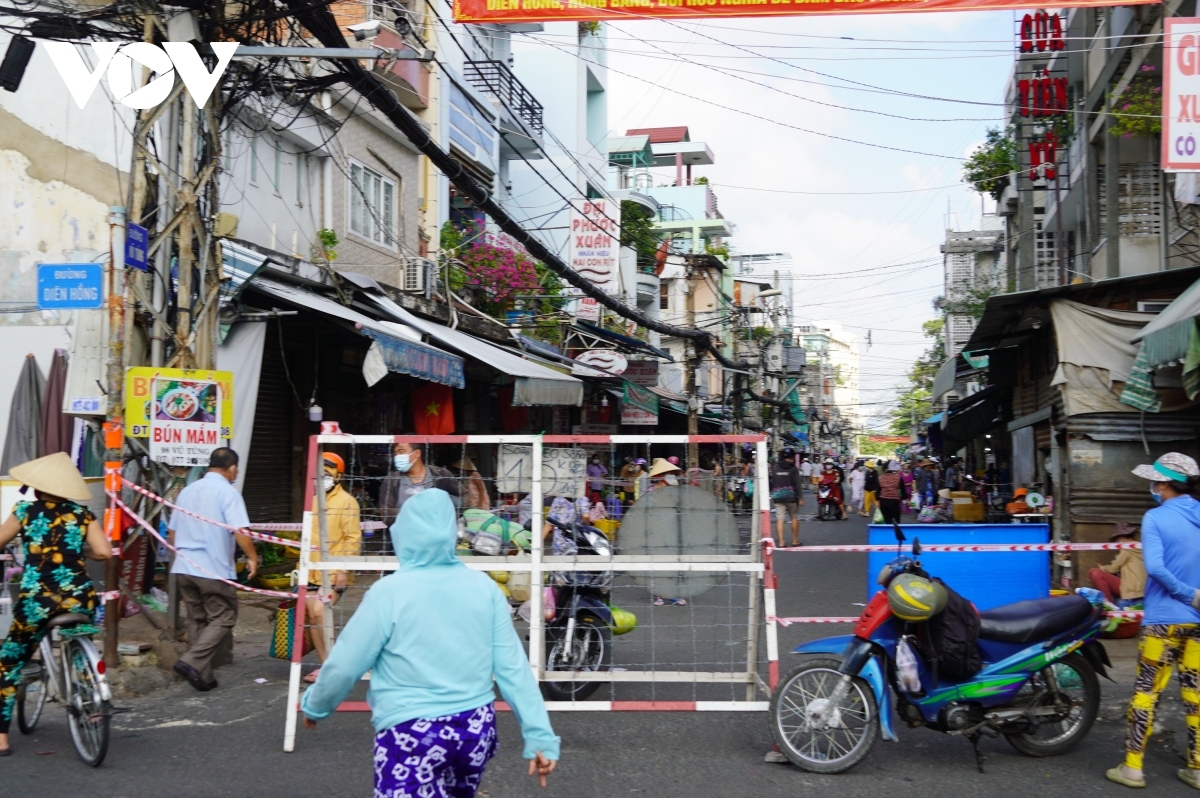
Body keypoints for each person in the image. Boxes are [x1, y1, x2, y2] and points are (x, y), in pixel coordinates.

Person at [301, 490, 558, 795]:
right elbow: (513, 669)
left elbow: (345, 664)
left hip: (410, 731)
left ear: (404, 534)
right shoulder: (484, 588)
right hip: (474, 729)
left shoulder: (388, 592)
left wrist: (316, 705)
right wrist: (540, 736)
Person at [0, 453, 112, 755]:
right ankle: (90, 694)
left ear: (36, 487)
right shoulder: (83, 514)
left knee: (8, 661)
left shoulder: (24, 510)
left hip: (38, 600)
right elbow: (104, 552)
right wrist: (80, 552)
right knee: (79, 638)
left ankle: (1, 739)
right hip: (80, 596)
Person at [1107, 453, 1200, 790]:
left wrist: (1186, 593)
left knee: (1146, 693)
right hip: (1197, 623)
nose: (1152, 487)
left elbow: (1157, 568)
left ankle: (1133, 768)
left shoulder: (1155, 517)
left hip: (1162, 621)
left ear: (1163, 484)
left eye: (1154, 482)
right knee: (1195, 695)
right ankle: (1197, 768)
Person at [169, 447, 259, 692]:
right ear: (231, 468)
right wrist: (252, 557)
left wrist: (182, 556)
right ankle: (191, 661)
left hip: (184, 567)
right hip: (213, 568)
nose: (236, 473)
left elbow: (172, 531)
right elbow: (240, 531)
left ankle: (203, 675)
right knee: (224, 616)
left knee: (197, 619)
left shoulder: (187, 491)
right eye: (236, 469)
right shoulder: (228, 493)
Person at [304, 453, 363, 684]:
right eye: (320, 474)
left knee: (320, 612)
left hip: (334, 573)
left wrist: (343, 570)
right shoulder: (313, 500)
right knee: (313, 616)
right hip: (312, 570)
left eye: (328, 474)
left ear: (339, 476)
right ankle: (326, 665)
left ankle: (336, 665)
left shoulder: (348, 502)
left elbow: (352, 538)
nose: (323, 478)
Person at [379, 441, 461, 525]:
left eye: (401, 451)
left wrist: (449, 513)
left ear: (417, 453)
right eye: (395, 453)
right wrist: (421, 510)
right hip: (404, 536)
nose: (397, 456)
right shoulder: (392, 480)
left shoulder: (441, 474)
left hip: (437, 535)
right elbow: (386, 515)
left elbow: (465, 498)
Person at [1088, 522, 1145, 607]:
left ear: (1120, 539)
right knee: (1094, 572)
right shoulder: (1140, 547)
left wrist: (1102, 568)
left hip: (1130, 590)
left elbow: (1113, 568)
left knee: (1095, 573)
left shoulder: (1127, 549)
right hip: (1141, 589)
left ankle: (1109, 605)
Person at [770, 448, 806, 547]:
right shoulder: (793, 469)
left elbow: (772, 481)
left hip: (777, 497)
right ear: (791, 457)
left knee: (780, 519)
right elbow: (798, 484)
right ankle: (795, 541)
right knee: (794, 517)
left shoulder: (775, 467)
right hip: (791, 498)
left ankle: (781, 542)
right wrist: (801, 497)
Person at [877, 460, 909, 525]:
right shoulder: (898, 478)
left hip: (883, 501)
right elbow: (903, 491)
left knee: (886, 521)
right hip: (894, 502)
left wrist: (877, 501)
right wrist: (904, 498)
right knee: (896, 521)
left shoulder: (880, 478)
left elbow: (878, 491)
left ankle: (888, 534)